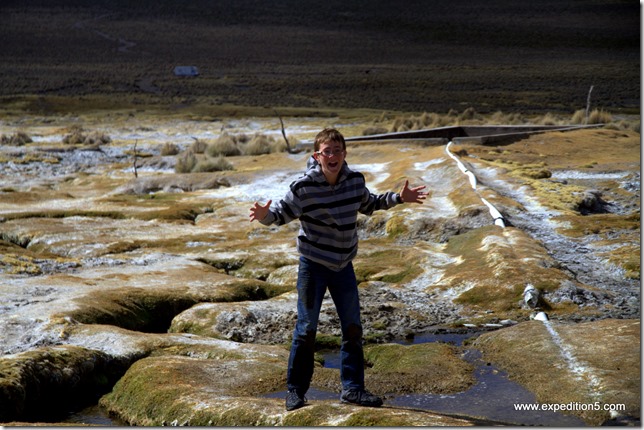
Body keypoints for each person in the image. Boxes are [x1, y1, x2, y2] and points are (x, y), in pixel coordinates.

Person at [249, 128, 427, 411]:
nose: (332, 156)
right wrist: (263, 216)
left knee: (353, 328)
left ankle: (353, 389)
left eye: (337, 151)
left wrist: (399, 198)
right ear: (317, 156)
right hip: (313, 265)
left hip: (343, 265)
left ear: (344, 154)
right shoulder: (303, 187)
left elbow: (370, 203)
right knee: (306, 329)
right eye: (326, 152)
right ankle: (295, 391)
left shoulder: (355, 181)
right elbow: (280, 214)